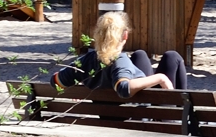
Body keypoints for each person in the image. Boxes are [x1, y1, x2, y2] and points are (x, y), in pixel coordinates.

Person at [54, 11, 189, 99]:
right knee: (173, 57)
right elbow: (123, 89)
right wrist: (160, 78)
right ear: (125, 35)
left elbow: (55, 82)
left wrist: (84, 82)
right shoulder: (119, 60)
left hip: (109, 114)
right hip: (137, 117)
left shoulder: (86, 60)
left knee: (140, 55)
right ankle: (184, 111)